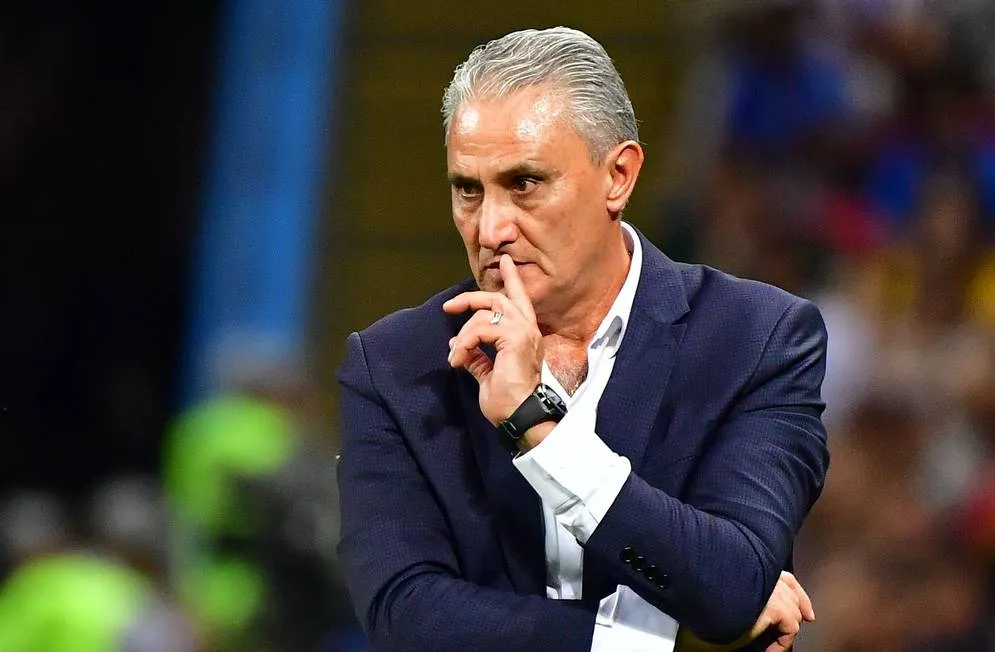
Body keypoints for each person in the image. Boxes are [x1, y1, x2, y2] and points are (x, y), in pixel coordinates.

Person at [337, 27, 829, 652]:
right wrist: (656, 642)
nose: (490, 229)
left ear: (618, 176)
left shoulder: (756, 339)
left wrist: (537, 427)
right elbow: (404, 614)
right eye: (468, 190)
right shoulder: (395, 366)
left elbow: (732, 584)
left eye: (524, 184)